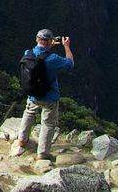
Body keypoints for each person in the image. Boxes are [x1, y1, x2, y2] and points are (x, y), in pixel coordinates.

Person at [11, 29, 74, 161]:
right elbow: (70, 63)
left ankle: (22, 141)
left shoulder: (27, 53)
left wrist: (48, 45)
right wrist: (66, 47)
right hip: (49, 97)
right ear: (49, 41)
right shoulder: (53, 59)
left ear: (37, 40)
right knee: (48, 123)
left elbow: (39, 53)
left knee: (28, 114)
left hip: (32, 95)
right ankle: (43, 153)